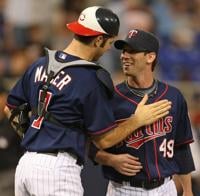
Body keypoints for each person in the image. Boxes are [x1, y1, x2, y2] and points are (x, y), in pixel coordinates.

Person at [4, 6, 171, 196]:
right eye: (109, 42)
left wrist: (34, 136)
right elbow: (104, 140)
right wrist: (137, 120)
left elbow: (10, 108)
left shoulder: (40, 64)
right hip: (57, 170)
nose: (109, 48)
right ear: (99, 39)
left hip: (26, 164)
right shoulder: (91, 78)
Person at [91, 29, 195, 196]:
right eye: (123, 51)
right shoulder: (110, 97)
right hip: (123, 189)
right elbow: (88, 145)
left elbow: (181, 146)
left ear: (150, 57)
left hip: (165, 188)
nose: (124, 55)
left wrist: (188, 190)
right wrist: (110, 160)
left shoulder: (173, 96)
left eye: (132, 51)